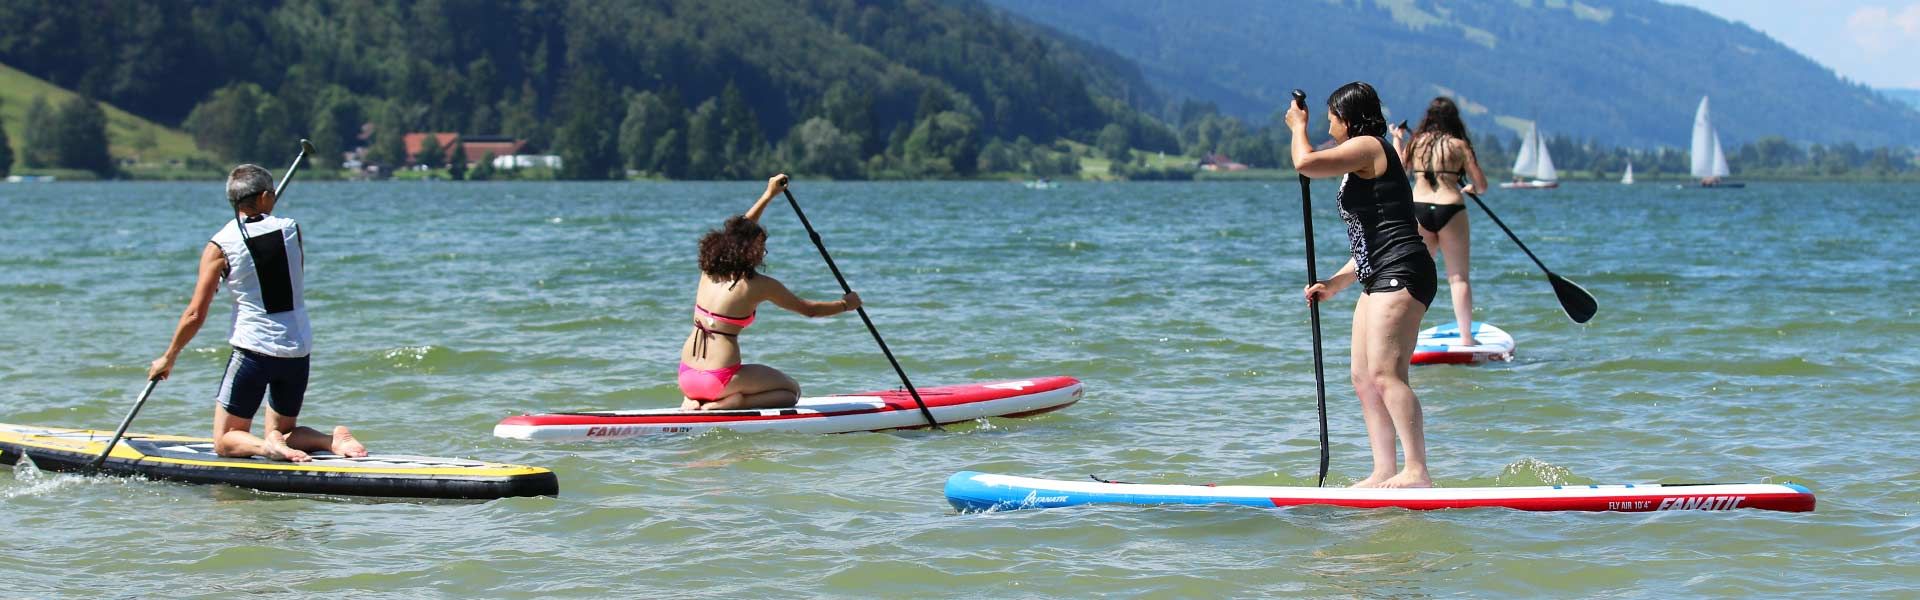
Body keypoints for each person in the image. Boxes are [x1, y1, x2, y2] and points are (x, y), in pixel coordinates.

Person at [146, 164, 366, 463]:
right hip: (297, 350)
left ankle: (268, 449)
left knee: (225, 441)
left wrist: (169, 356)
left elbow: (196, 312)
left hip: (254, 352)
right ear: (264, 197)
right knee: (283, 431)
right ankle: (330, 440)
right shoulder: (291, 229)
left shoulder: (219, 246)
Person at [1288, 82, 1438, 488]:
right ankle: (1384, 470)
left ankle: (1417, 471)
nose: (1328, 125)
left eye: (1332, 118)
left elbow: (1306, 163)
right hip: (1377, 271)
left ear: (1349, 120)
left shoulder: (1370, 146)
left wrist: (1296, 127)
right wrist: (1334, 284)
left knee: (1387, 373)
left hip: (1404, 269)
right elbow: (1370, 237)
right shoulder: (1362, 157)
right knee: (1362, 376)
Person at [678, 174, 862, 411]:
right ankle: (731, 402)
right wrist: (846, 304)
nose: (763, 252)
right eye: (762, 248)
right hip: (719, 381)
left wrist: (768, 195)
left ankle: (694, 400)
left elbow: (738, 231)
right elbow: (809, 311)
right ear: (751, 252)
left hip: (686, 376)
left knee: (724, 383)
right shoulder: (759, 285)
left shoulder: (708, 270)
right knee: (791, 391)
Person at [1392, 97, 1490, 345]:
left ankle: (1404, 337)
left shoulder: (1417, 142)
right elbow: (1481, 186)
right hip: (1450, 208)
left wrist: (1397, 138)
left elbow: (1398, 172)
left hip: (1419, 208)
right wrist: (1469, 188)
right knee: (1458, 278)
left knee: (1415, 277)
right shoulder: (1459, 145)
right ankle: (1466, 338)